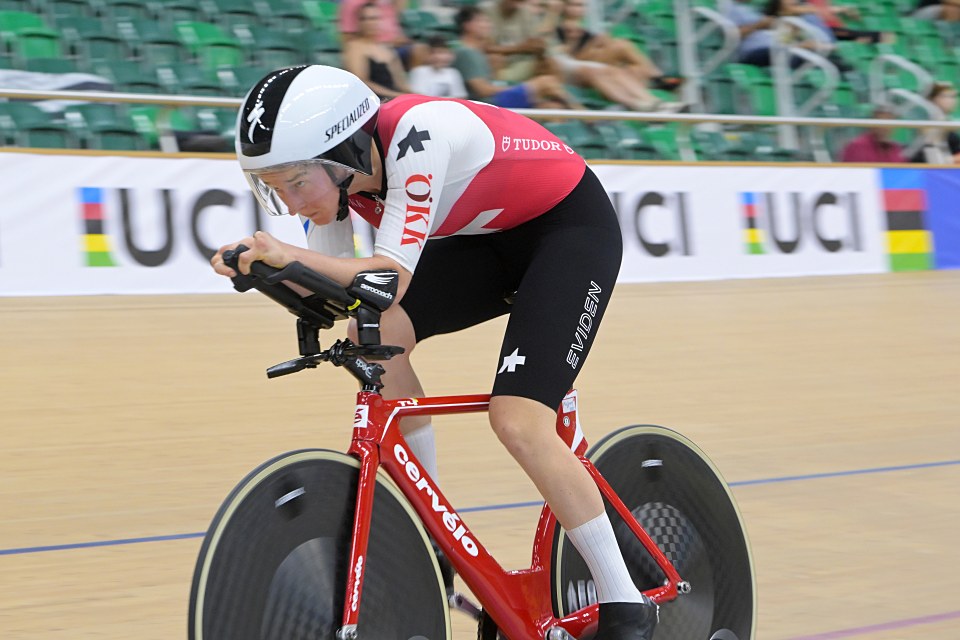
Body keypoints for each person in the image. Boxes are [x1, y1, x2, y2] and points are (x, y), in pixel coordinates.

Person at [212, 64, 659, 639]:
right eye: (275, 189)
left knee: (519, 420)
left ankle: (627, 606)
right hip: (488, 241)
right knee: (375, 338)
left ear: (341, 152)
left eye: (297, 182)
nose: (292, 204)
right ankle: (435, 534)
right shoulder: (343, 184)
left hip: (568, 231)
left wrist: (289, 262)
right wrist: (262, 271)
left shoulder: (416, 135)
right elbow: (347, 300)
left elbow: (385, 282)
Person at [453, 6, 584, 109]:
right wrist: (516, 88)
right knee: (546, 82)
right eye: (482, 21)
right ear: (468, 25)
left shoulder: (478, 52)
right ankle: (589, 117)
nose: (488, 25)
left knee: (552, 108)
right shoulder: (466, 52)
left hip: (494, 102)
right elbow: (482, 90)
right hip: (487, 105)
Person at [343, 2, 412, 99]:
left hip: (394, 98)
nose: (370, 23)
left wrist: (422, 97)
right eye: (364, 19)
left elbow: (402, 85)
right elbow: (362, 82)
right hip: (372, 102)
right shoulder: (354, 47)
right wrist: (397, 95)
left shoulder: (387, 49)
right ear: (359, 23)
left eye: (374, 18)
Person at [911, 81, 960, 163]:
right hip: (927, 169)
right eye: (945, 96)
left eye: (953, 96)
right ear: (932, 99)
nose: (951, 100)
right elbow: (935, 160)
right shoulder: (926, 125)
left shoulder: (949, 125)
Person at [839, 105, 906, 162]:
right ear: (872, 123)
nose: (884, 127)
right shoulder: (857, 146)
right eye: (880, 122)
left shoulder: (896, 150)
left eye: (889, 122)